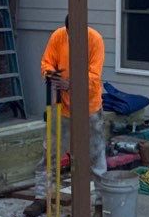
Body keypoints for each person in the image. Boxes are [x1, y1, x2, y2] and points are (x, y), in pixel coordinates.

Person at [41, 19, 106, 186]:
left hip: (88, 107)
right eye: (70, 35)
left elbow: (94, 76)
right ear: (67, 29)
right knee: (50, 153)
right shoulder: (58, 36)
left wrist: (71, 83)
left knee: (96, 155)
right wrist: (52, 75)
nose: (73, 39)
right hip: (62, 107)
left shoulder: (95, 40)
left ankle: (99, 203)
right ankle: (43, 197)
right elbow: (46, 62)